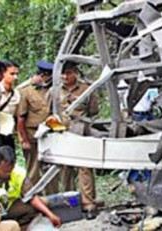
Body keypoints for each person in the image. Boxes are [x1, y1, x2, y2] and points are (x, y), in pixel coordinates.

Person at [56, 62, 99, 219]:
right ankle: (69, 203)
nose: (65, 77)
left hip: (81, 133)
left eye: (68, 73)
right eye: (63, 74)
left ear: (75, 73)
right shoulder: (55, 90)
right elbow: (51, 111)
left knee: (84, 168)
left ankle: (89, 204)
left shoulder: (86, 89)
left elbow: (94, 110)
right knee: (65, 170)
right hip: (62, 134)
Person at [17, 60, 58, 193]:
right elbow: (21, 118)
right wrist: (23, 140)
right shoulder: (26, 91)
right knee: (33, 168)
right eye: (46, 76)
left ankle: (52, 196)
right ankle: (34, 196)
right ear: (41, 75)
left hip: (50, 134)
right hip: (32, 134)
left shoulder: (53, 90)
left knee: (51, 167)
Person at [0, 146, 62, 228]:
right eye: (5, 171)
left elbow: (32, 197)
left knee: (40, 204)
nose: (8, 174)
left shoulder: (18, 173)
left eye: (10, 171)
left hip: (10, 206)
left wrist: (50, 215)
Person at [0, 61, 21, 151]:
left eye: (16, 74)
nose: (15, 77)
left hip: (8, 135)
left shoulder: (16, 94)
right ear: (3, 73)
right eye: (12, 74)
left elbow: (17, 115)